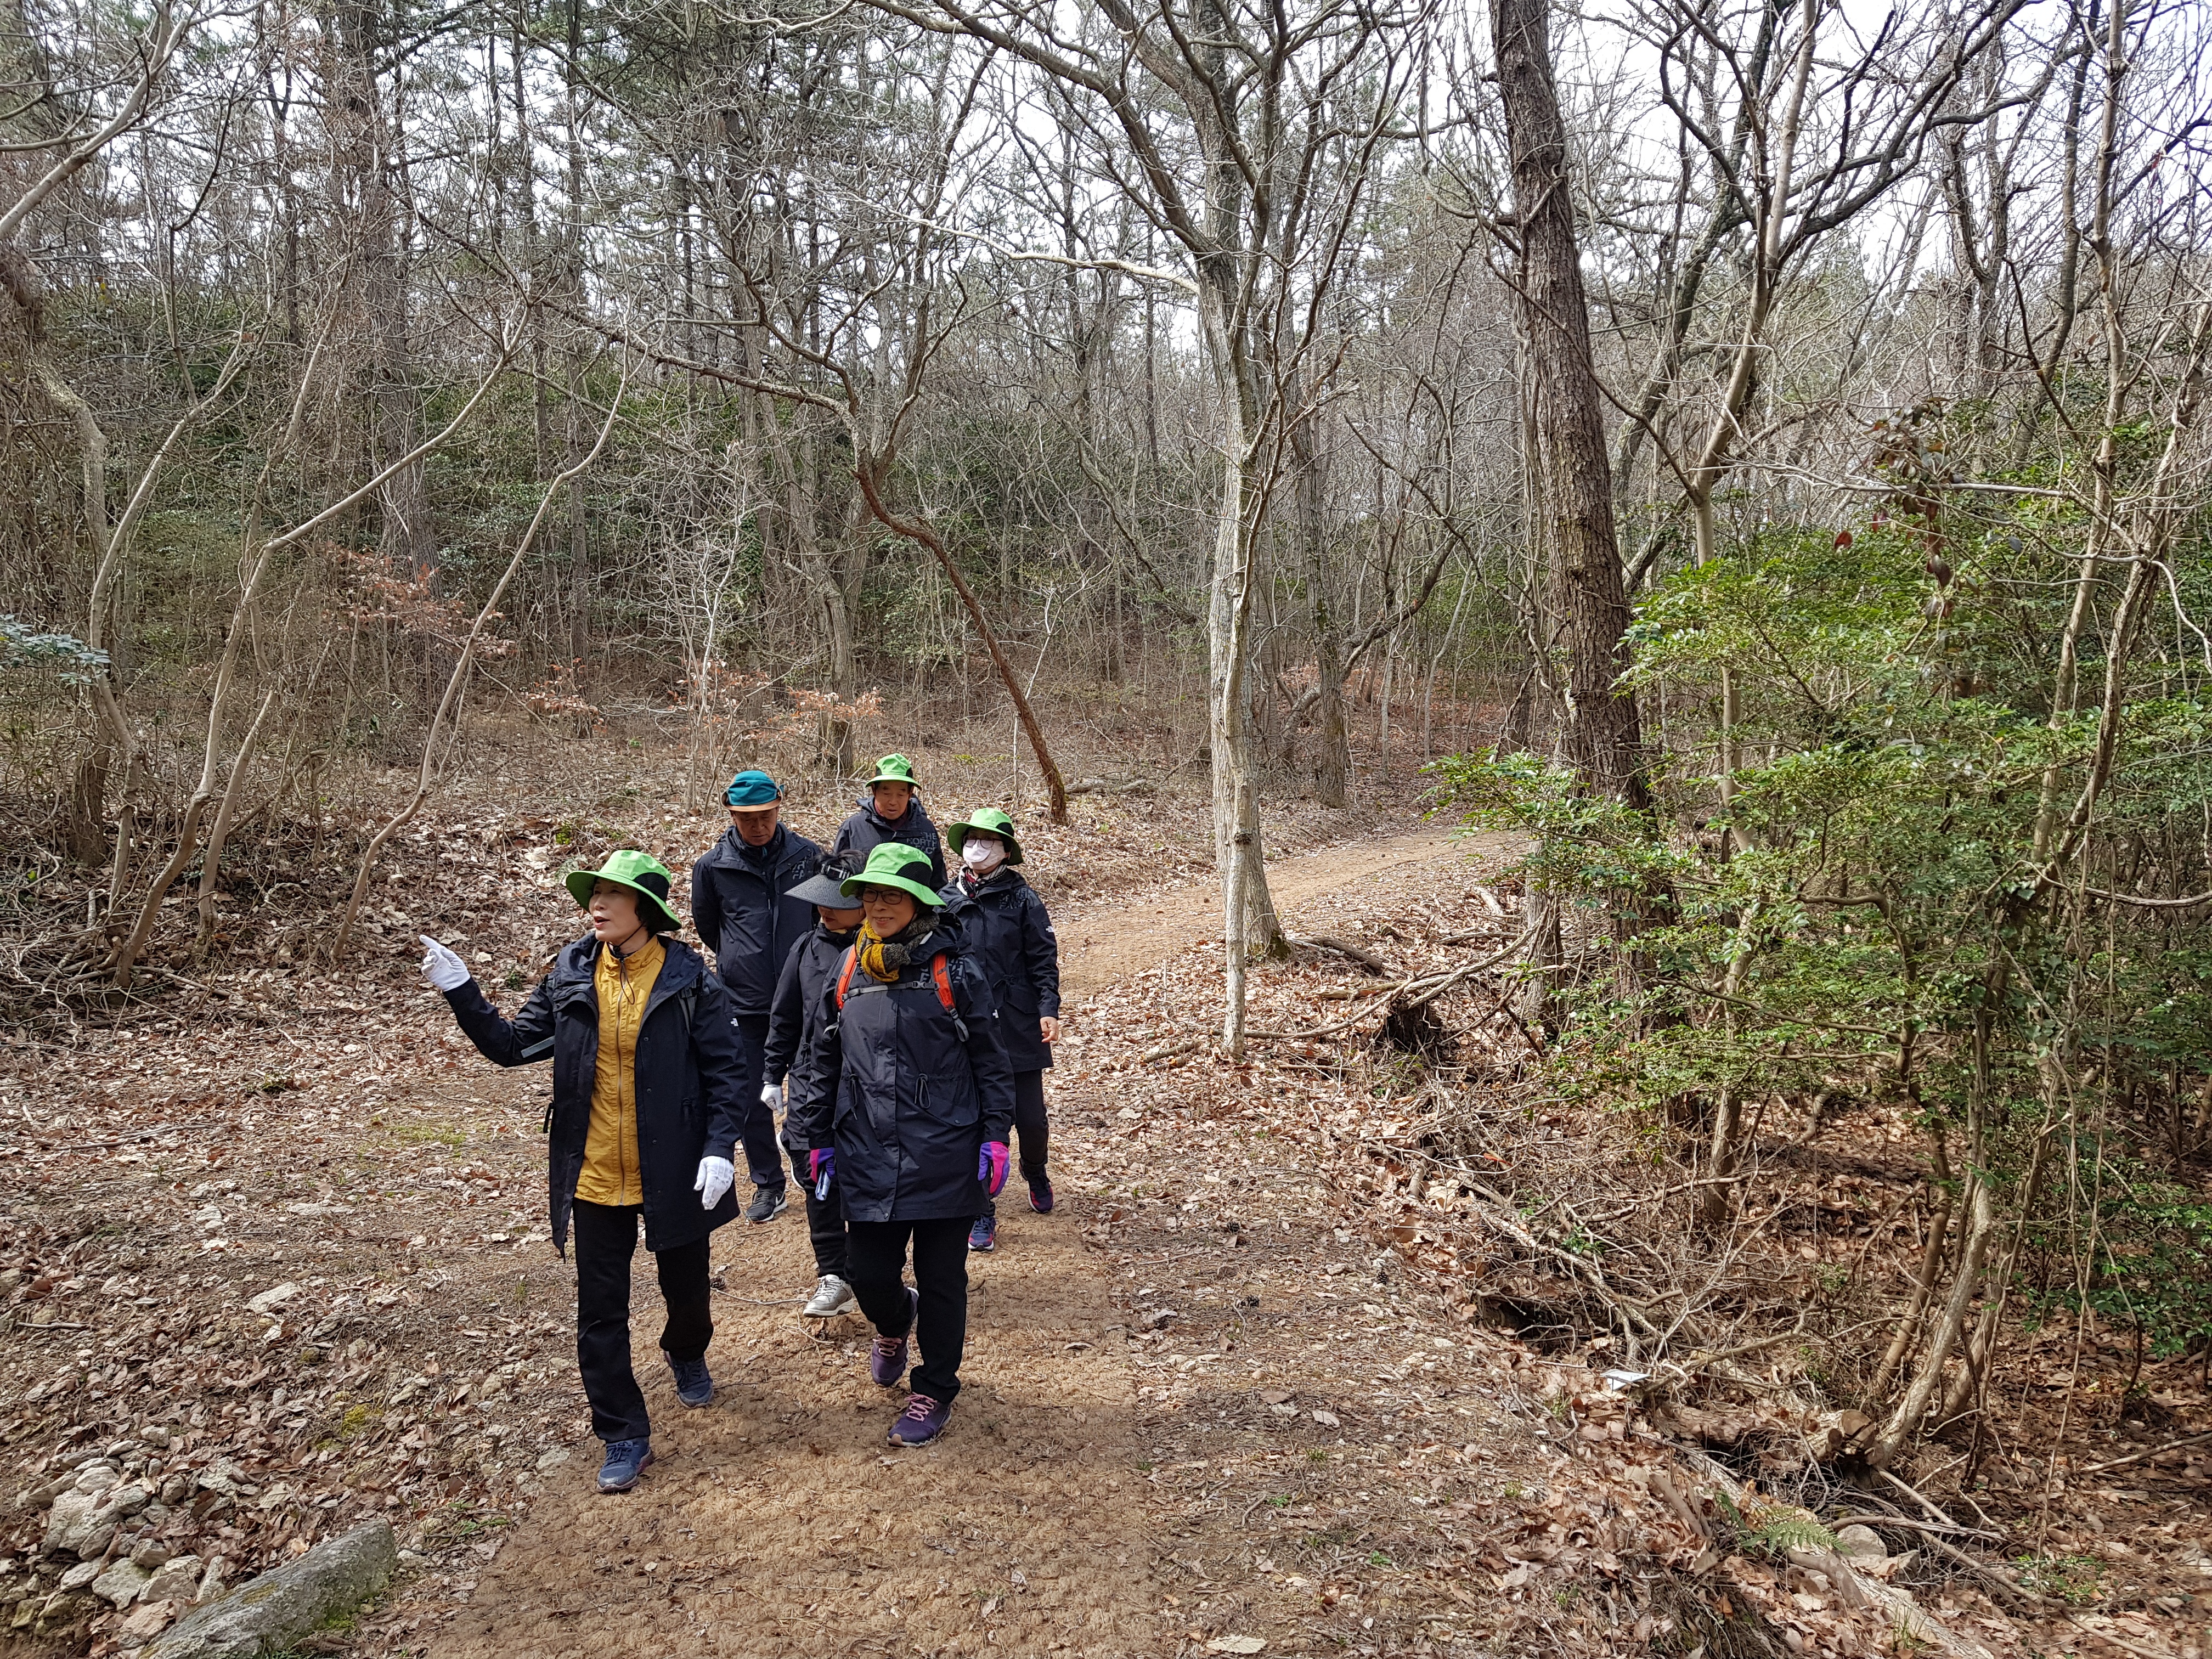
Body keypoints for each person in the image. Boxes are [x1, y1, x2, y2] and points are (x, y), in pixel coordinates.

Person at [418, 851, 744, 1495]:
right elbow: (514, 1048)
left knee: (688, 1291)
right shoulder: (571, 971)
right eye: (592, 894)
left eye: (611, 895)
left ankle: (687, 1349)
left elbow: (727, 1069)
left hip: (674, 1163)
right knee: (600, 1311)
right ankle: (623, 1433)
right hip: (593, 1169)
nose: (596, 905)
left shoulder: (689, 979)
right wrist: (462, 990)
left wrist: (718, 1147)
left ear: (644, 909)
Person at [787, 842, 1014, 1447]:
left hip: (946, 1150)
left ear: (918, 903)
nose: (878, 906)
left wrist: (996, 1137)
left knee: (944, 1278)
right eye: (870, 895)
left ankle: (934, 1388)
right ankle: (894, 1320)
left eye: (891, 895)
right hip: (865, 1149)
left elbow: (993, 1064)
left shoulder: (955, 972)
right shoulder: (846, 971)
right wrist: (812, 1140)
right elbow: (817, 1061)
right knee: (868, 1275)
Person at [690, 768, 821, 1224]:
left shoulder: (808, 857)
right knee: (748, 1096)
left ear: (779, 808)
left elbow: (827, 918)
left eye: (766, 815)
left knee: (812, 1087)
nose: (758, 825)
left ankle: (811, 1164)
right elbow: (710, 926)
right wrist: (739, 958)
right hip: (742, 1000)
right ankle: (768, 1184)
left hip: (806, 995)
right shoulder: (713, 867)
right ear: (731, 814)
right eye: (748, 818)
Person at [938, 807, 1061, 1252]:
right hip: (965, 1027)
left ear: (1006, 850)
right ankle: (981, 1210)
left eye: (989, 840)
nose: (979, 847)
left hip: (1017, 1023)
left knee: (1029, 1118)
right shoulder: (945, 899)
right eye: (972, 838)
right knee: (974, 1123)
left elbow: (1043, 961)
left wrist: (1048, 1009)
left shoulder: (1023, 900)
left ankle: (1036, 1168)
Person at [762, 853, 865, 1318]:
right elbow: (784, 1018)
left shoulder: (881, 950)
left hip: (867, 1086)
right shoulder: (805, 948)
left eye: (838, 902)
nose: (826, 911)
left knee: (864, 1176)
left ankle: (869, 1268)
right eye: (821, 902)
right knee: (818, 1179)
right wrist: (771, 1074)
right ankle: (833, 1273)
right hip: (809, 1083)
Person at [830, 754, 947, 889]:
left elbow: (938, 884)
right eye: (886, 793)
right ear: (874, 790)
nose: (893, 802)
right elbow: (835, 878)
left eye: (901, 794)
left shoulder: (925, 830)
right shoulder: (853, 828)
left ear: (910, 793)